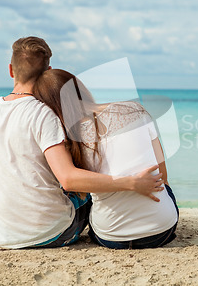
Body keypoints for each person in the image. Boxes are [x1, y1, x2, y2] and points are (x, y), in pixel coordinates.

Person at [0, 37, 164, 249]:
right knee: (82, 191)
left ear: (11, 70)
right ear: (48, 71)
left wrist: (6, 163)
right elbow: (68, 179)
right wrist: (130, 182)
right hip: (53, 233)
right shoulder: (45, 114)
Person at [33, 69, 179, 249]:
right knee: (166, 191)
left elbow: (74, 186)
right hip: (161, 231)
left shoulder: (70, 138)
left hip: (112, 237)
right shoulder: (134, 110)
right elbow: (162, 176)